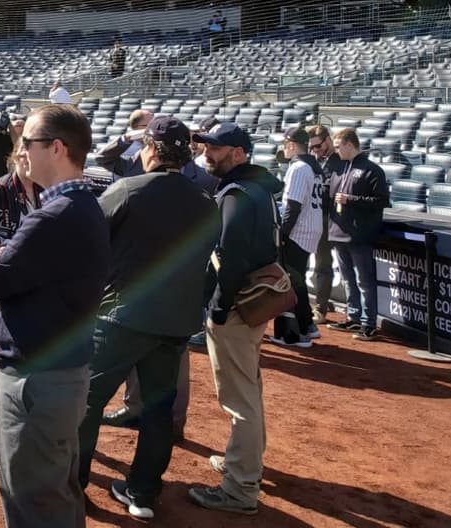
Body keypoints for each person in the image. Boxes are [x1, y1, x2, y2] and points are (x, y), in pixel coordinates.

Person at [76, 116, 219, 521]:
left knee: (85, 404)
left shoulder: (127, 189)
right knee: (158, 409)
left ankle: (75, 484)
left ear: (151, 150)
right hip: (175, 324)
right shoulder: (205, 201)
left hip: (122, 317)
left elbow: (87, 242)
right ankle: (142, 493)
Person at [0, 103, 109, 528]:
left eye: (27, 142)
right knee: (55, 490)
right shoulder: (79, 205)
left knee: (32, 497)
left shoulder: (54, 216)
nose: (21, 151)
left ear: (56, 148)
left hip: (37, 378)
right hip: (59, 371)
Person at [187, 122, 283, 516]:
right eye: (207, 146)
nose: (207, 153)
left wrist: (220, 307)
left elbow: (230, 259)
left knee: (239, 398)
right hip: (252, 302)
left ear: (238, 154)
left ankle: (241, 487)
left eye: (216, 148)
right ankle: (246, 462)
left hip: (237, 305)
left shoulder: (237, 193)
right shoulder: (255, 186)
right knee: (249, 387)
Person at [326, 127, 389, 341]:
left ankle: (368, 322)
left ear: (350, 144)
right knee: (347, 279)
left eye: (338, 146)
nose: (336, 151)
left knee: (364, 280)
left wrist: (351, 200)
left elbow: (381, 201)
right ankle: (352, 316)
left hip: (360, 234)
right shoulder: (339, 168)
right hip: (338, 231)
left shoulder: (372, 170)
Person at [268, 127, 324, 348]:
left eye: (284, 144)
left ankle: (297, 334)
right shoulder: (312, 166)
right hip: (310, 229)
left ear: (291, 144)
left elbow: (292, 206)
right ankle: (307, 326)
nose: (283, 148)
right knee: (296, 280)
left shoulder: (299, 167)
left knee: (290, 282)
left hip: (299, 231)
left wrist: (282, 235)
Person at [306, 124, 342, 323]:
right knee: (321, 264)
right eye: (312, 148)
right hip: (318, 218)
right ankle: (319, 306)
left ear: (328, 139)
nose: (315, 151)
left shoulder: (341, 161)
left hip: (337, 221)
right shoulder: (315, 161)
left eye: (318, 146)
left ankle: (322, 308)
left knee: (328, 266)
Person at [96, 108, 153, 178]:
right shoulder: (122, 147)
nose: (152, 129)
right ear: (136, 127)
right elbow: (102, 158)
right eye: (149, 125)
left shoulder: (155, 146)